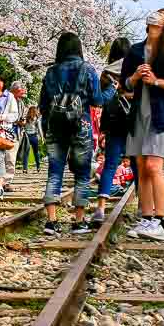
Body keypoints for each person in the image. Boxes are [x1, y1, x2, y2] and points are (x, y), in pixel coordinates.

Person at [121, 9, 164, 242]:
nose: (155, 17)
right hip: (139, 115)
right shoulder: (135, 51)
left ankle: (160, 221)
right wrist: (134, 78)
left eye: (161, 15)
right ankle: (146, 217)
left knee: (153, 166)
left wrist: (157, 82)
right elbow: (124, 86)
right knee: (141, 166)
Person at [38, 32, 116, 235]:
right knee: (82, 175)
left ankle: (51, 222)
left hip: (55, 128)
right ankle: (78, 221)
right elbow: (98, 100)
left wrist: (47, 126)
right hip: (81, 126)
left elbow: (43, 105)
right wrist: (112, 90)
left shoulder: (51, 72)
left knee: (54, 173)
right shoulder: (87, 69)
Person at [96, 38, 134, 228]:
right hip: (133, 123)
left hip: (112, 123)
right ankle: (144, 209)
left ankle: (100, 208)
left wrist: (102, 129)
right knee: (136, 163)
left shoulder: (106, 72)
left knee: (110, 164)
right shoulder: (135, 68)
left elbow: (102, 101)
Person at [20, 105, 43, 174]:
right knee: (36, 152)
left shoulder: (26, 118)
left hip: (26, 137)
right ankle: (38, 167)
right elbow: (39, 128)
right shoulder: (37, 118)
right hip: (34, 137)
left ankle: (25, 169)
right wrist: (41, 137)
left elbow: (22, 126)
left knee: (26, 153)